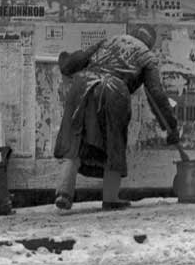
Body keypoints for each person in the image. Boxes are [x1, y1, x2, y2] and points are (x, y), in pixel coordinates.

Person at [53, 25, 179, 211]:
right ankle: (110, 197)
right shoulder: (147, 57)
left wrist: (63, 58)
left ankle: (64, 192)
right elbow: (156, 95)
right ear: (150, 43)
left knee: (75, 140)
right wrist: (171, 127)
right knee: (114, 143)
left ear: (133, 34)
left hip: (82, 84)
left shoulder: (110, 40)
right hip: (114, 92)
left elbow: (74, 62)